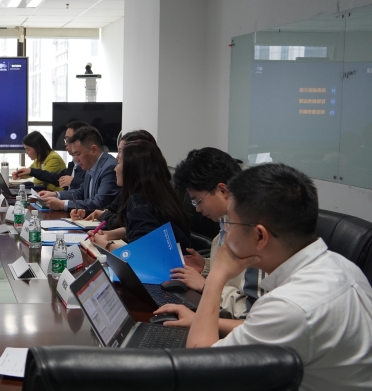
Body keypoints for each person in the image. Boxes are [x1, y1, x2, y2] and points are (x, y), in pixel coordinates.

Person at [162, 163, 372, 391]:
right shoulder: (342, 266)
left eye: (229, 223)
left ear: (259, 236)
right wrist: (202, 320)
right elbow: (266, 328)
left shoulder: (290, 306)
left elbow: (201, 369)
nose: (225, 232)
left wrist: (216, 277)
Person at [165, 147, 261, 320]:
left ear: (223, 190)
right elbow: (233, 276)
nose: (198, 209)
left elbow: (252, 312)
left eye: (197, 201)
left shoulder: (255, 238)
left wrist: (207, 286)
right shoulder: (224, 225)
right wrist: (205, 266)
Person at [91, 139, 191, 250]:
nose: (115, 168)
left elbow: (140, 252)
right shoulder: (160, 194)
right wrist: (107, 235)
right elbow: (141, 230)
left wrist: (105, 245)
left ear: (132, 168)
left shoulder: (138, 202)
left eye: (119, 163)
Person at [74, 129, 161, 231]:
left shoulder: (142, 197)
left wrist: (108, 238)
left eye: (121, 151)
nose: (116, 158)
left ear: (137, 156)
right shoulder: (131, 188)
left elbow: (123, 222)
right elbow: (111, 210)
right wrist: (87, 212)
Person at [39, 126, 119, 212]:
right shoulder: (91, 164)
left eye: (78, 154)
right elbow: (80, 192)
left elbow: (99, 204)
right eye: (74, 155)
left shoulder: (109, 168)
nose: (76, 159)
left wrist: (62, 204)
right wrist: (56, 195)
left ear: (94, 150)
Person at [12, 121, 88, 191]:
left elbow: (40, 181)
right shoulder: (73, 164)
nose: (65, 144)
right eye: (66, 140)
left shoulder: (54, 158)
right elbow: (58, 179)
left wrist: (72, 182)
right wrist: (26, 172)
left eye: (68, 140)